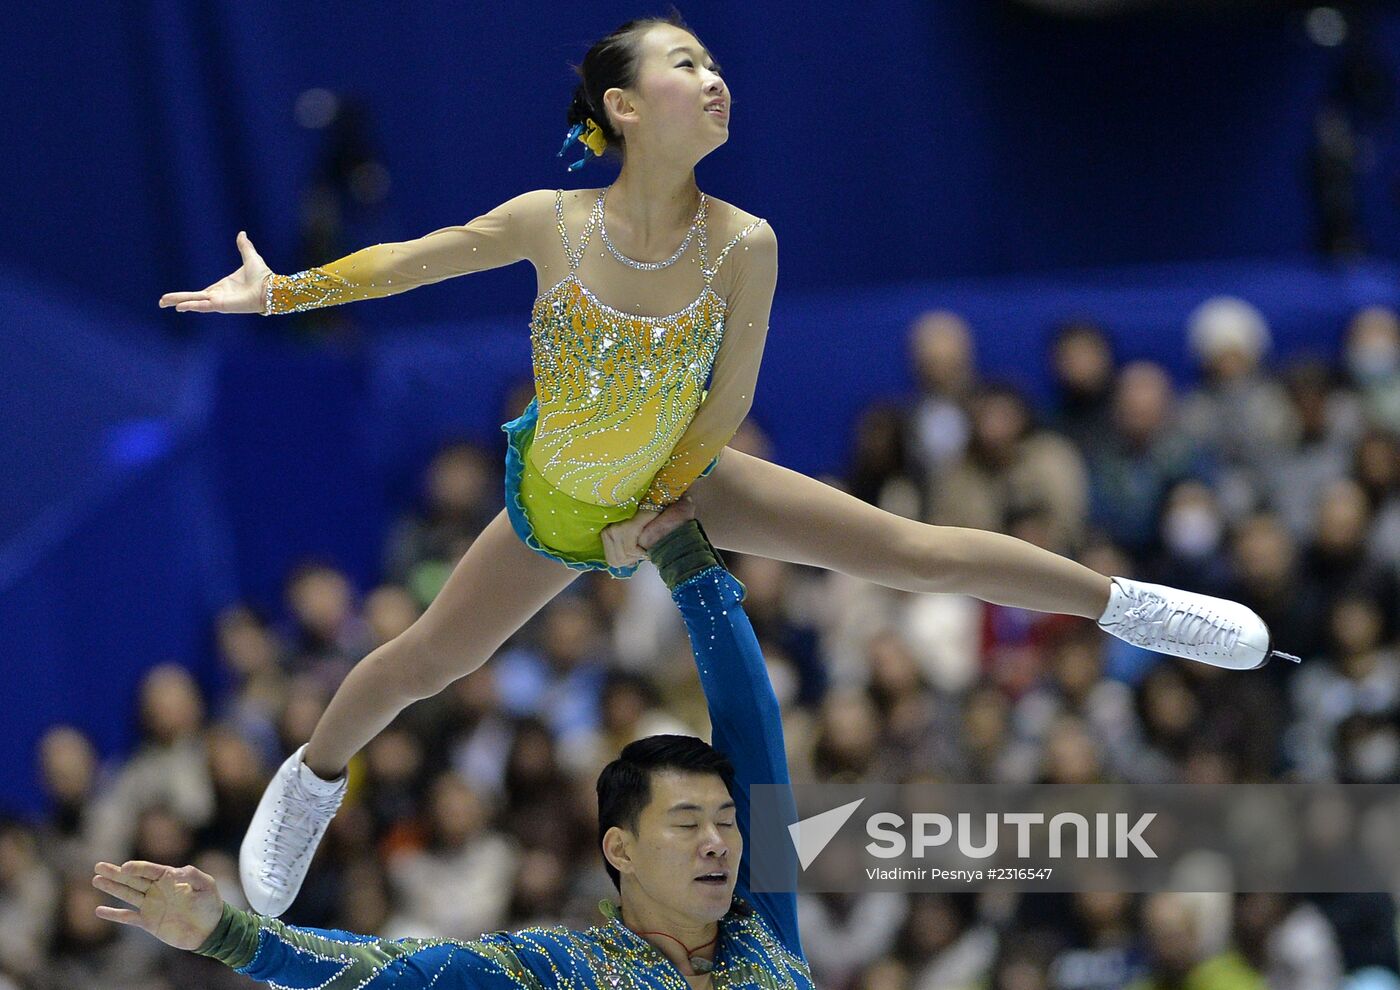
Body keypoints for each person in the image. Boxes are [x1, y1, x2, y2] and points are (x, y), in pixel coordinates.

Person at [157, 14, 1291, 917]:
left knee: (909, 552)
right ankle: (309, 780)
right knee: (418, 664)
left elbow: (733, 395)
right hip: (555, 502)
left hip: (682, 472)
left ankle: (1127, 605)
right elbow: (410, 263)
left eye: (712, 59)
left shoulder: (744, 241)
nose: (713, 77)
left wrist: (657, 504)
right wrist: (283, 292)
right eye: (682, 62)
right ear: (619, 106)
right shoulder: (551, 222)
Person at [93, 503, 815, 987]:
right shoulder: (562, 968)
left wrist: (690, 562)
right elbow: (388, 968)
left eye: (724, 822)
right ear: (619, 850)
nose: (720, 841)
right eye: (687, 825)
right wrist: (230, 935)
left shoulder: (765, 916)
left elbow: (751, 725)